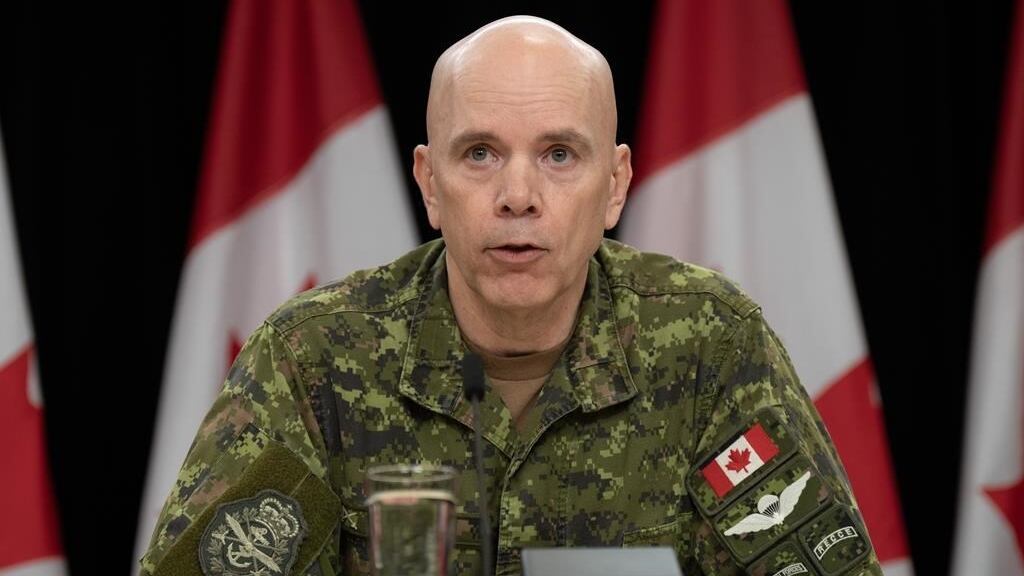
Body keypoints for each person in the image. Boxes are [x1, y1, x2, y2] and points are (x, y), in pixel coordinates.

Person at [140, 15, 883, 576]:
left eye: (559, 154)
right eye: (480, 154)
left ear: (615, 184)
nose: (518, 195)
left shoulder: (710, 346)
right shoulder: (315, 358)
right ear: (430, 185)